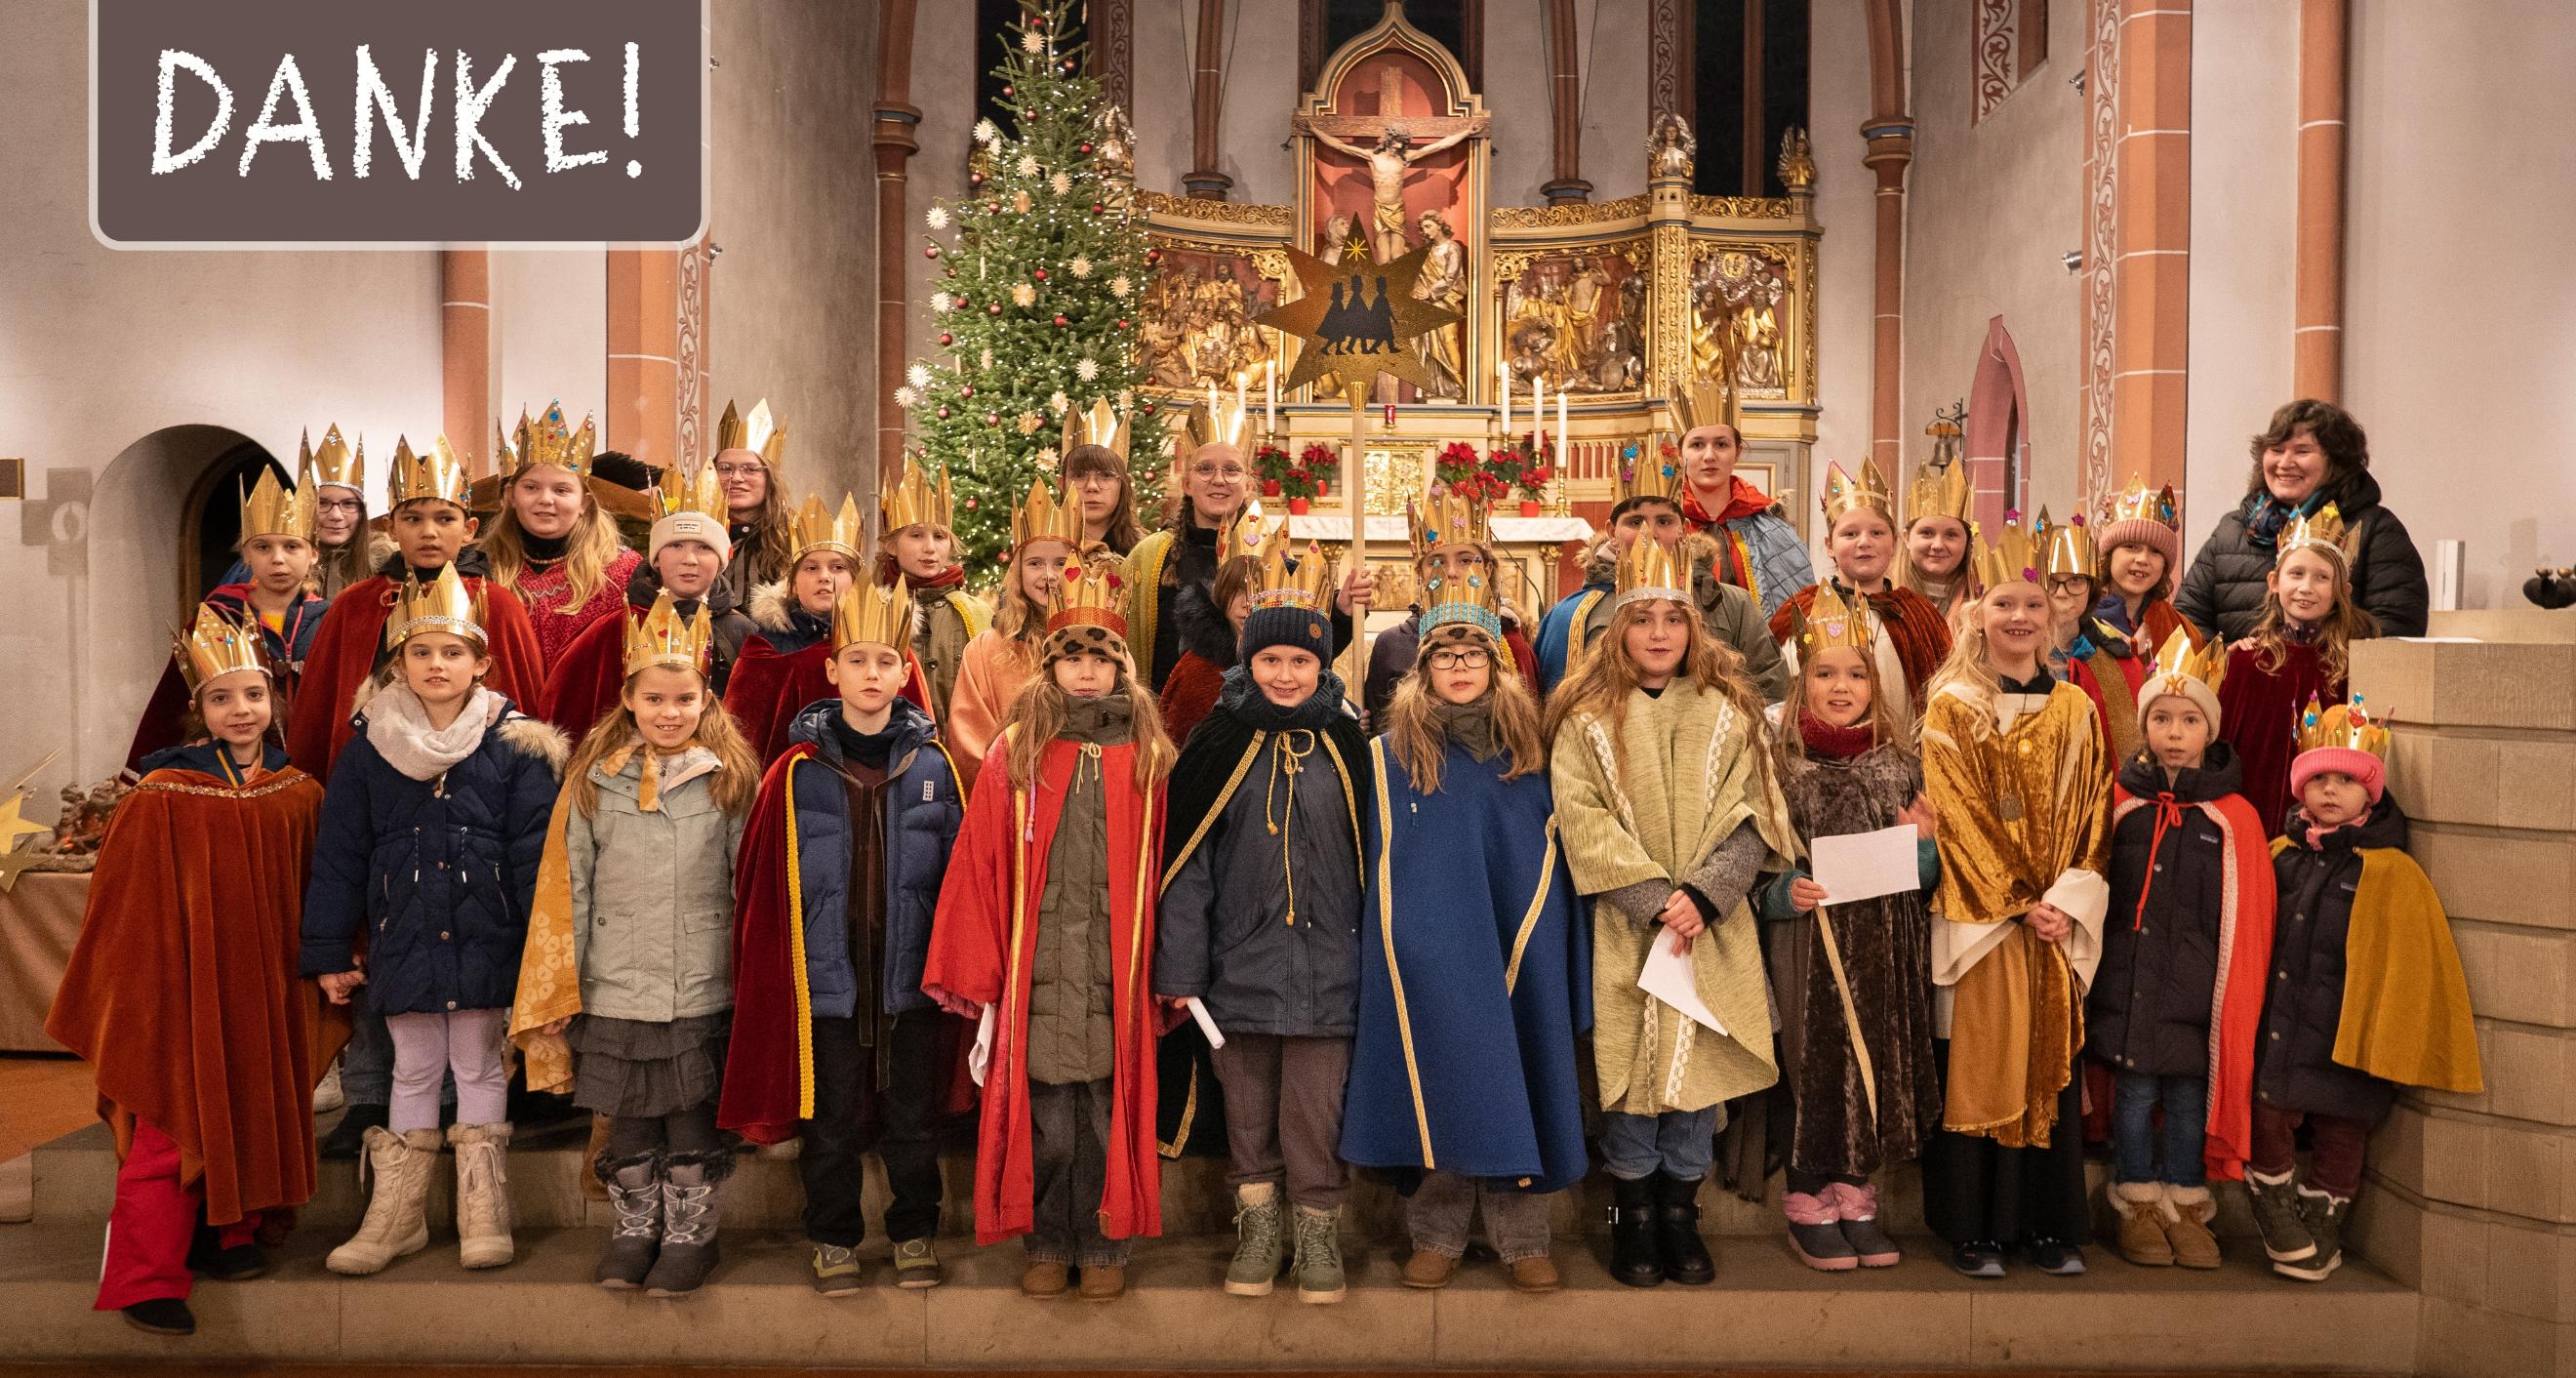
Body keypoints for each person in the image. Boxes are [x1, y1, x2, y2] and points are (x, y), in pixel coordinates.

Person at [48, 609, 342, 1338]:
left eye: (252, 695)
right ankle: (145, 1276)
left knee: (249, 1104)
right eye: (221, 698)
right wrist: (148, 996)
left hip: (266, 989)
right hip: (179, 993)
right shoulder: (160, 797)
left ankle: (227, 1234)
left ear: (273, 700)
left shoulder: (298, 792)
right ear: (197, 712)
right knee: (170, 1129)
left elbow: (322, 890)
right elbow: (126, 914)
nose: (240, 711)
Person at [300, 565, 568, 1277]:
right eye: (421, 653)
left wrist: (540, 962)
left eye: (453, 653)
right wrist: (330, 948)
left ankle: (484, 1206)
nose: (437, 665)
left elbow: (536, 856)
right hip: (405, 936)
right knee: (413, 1069)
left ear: (482, 664)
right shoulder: (368, 751)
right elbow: (340, 856)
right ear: (399, 665)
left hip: (488, 937)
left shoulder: (517, 746)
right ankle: (400, 1216)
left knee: (479, 1064)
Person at [924, 560, 1175, 1302]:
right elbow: (979, 864)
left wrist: (1167, 969)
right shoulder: (1014, 753)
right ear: (1051, 663)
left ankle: (1101, 1244)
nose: (1089, 671)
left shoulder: (1150, 758)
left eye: (1103, 658)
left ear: (1122, 667)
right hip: (1035, 974)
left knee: (1102, 1113)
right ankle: (1045, 1239)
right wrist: (981, 968)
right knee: (1044, 1118)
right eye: (1075, 656)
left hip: (1114, 976)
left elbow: (1167, 871)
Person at [1549, 533, 1793, 1289]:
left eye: (1673, 618)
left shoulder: (1729, 710)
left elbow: (1757, 814)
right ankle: (1634, 1215)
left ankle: (1681, 1210)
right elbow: (1581, 819)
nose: (1659, 633)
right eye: (1642, 617)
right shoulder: (1586, 718)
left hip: (1712, 927)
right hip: (1629, 925)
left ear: (1696, 628)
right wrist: (1658, 901)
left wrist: (1706, 896)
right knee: (1634, 1071)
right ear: (1616, 629)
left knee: (1697, 1076)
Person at [1339, 559, 1589, 1295]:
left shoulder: (1532, 758)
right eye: (1444, 654)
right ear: (1422, 668)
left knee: (1520, 1073)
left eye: (1472, 653)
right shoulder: (1388, 758)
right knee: (1438, 1076)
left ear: (1495, 664)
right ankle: (1439, 1234)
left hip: (1519, 945)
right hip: (1427, 956)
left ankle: (1521, 1237)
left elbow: (1548, 857)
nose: (1458, 665)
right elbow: (1378, 861)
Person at [507, 592, 758, 1297]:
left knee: (689, 1121)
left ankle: (691, 1236)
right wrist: (561, 986)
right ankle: (635, 1229)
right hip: (613, 983)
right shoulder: (594, 780)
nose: (669, 712)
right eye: (655, 698)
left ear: (706, 699)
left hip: (700, 981)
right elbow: (568, 888)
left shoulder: (732, 780)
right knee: (628, 1126)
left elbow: (749, 890)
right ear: (629, 699)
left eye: (684, 698)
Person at [719, 578, 966, 1294]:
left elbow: (959, 878)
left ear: (904, 670)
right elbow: (762, 888)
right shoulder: (793, 773)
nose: (871, 675)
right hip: (824, 978)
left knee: (913, 1121)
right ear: (830, 669)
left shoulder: (935, 768)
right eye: (856, 660)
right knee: (829, 1122)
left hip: (910, 978)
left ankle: (915, 1232)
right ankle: (833, 1237)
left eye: (885, 661)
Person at [1158, 540, 1371, 1305]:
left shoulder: (1350, 746)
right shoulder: (1215, 742)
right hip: (1235, 973)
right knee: (1247, 1113)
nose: (1286, 675)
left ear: (1323, 668)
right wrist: (1181, 973)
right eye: (1272, 661)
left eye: (1301, 663)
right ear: (1247, 663)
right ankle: (1258, 1227)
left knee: (1315, 1113)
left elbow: (1376, 863)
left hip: (1331, 974)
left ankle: (1316, 1231)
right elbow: (1186, 867)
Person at [1916, 518, 2113, 1279]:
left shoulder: (2076, 708)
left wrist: (2066, 898)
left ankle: (2047, 1224)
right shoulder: (1953, 706)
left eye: (2032, 604)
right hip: (1985, 921)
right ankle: (1974, 1228)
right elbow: (1956, 811)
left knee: (2048, 1063)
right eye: (2003, 604)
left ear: (2053, 615)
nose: (2020, 617)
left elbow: (2095, 808)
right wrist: (2018, 901)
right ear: (1977, 614)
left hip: (2054, 922)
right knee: (1981, 1064)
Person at [2250, 698, 2480, 1281]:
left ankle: (2323, 1216)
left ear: (2369, 793)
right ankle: (2273, 1203)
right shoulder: (2279, 856)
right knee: (2269, 1116)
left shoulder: (2393, 871)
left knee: (2343, 1128)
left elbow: (2409, 965)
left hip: (2346, 1029)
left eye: (2346, 780)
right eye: (2319, 779)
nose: (2330, 791)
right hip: (2281, 1023)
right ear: (2302, 790)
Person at [1753, 584, 1943, 1272]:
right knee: (1813, 1063)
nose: (1842, 687)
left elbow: (1923, 879)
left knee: (1869, 1065)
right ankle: (1807, 1193)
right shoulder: (1777, 762)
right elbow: (1750, 856)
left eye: (1856, 674)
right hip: (1805, 947)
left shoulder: (1898, 764)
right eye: (1825, 674)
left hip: (1882, 949)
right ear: (1802, 682)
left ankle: (1856, 1190)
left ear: (1875, 683)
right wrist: (1778, 894)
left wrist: (1920, 844)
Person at [2088, 636, 2277, 1271]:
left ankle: (2186, 1205)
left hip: (2199, 997)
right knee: (2136, 1098)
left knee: (2191, 1102)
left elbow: (2244, 919)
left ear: (2209, 730)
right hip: (2130, 987)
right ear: (2143, 727)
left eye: (2189, 720)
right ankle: (2137, 1204)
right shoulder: (2123, 805)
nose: (2174, 732)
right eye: (2162, 719)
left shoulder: (2233, 816)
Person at [287, 436, 545, 783]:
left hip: (477, 776)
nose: (428, 532)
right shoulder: (355, 604)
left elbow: (521, 700)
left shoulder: (497, 603)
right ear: (390, 527)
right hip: (376, 770)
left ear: (469, 529)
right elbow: (319, 711)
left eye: (444, 519)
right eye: (412, 519)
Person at [1126, 403, 1369, 692]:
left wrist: (1341, 615)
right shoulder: (1151, 555)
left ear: (1249, 485)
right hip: (1170, 715)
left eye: (1231, 470)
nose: (1219, 479)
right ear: (1187, 483)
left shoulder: (1272, 556)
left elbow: (1307, 648)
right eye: (1205, 469)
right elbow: (1127, 650)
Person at [1532, 449, 1788, 701]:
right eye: (1635, 522)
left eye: (1664, 522)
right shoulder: (1572, 614)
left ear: (1684, 530)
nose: (1650, 533)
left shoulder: (1733, 604)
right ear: (1612, 532)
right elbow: (1554, 706)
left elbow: (1771, 692)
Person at [125, 466, 332, 771]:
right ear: (247, 554)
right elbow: (169, 706)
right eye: (263, 547)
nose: (277, 558)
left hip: (317, 770)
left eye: (291, 546)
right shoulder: (217, 617)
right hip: (234, 769)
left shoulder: (331, 620)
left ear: (313, 553)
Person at [2174, 399, 2428, 643]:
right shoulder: (2231, 530)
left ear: (2337, 462)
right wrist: (2228, 660)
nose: (2285, 463)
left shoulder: (2377, 531)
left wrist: (2311, 662)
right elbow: (2187, 619)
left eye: (2302, 451)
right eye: (2276, 450)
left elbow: (2396, 629)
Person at [541, 462, 756, 740]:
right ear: (655, 557)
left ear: (722, 558)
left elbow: (754, 719)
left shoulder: (742, 632)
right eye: (675, 545)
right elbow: (572, 711)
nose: (689, 559)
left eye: (703, 547)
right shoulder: (611, 629)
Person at [2216, 505, 2379, 832]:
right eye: (2296, 574)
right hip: (2251, 819)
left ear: (2341, 592)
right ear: (2274, 582)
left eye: (2322, 577)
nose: (2307, 587)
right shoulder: (2249, 663)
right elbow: (2223, 748)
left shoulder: (2353, 666)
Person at [1766, 459, 1952, 719]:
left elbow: (1941, 697)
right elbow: (1775, 687)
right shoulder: (1800, 610)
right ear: (1830, 545)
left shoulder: (1918, 614)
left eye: (1877, 533)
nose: (1864, 542)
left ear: (1895, 544)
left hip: (1898, 753)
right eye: (1850, 534)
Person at [478, 402, 644, 669]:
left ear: (584, 503)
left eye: (562, 490)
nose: (545, 500)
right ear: (510, 496)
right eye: (531, 487)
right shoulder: (483, 567)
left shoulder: (622, 570)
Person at [1361, 487, 1542, 725]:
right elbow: (1380, 727)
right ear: (1420, 573)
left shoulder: (1510, 643)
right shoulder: (1392, 644)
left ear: (1487, 570)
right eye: (1436, 562)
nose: (1452, 572)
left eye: (1465, 560)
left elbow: (1529, 727)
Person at [725, 494, 880, 763]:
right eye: (811, 568)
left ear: (856, 582)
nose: (824, 576)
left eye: (838, 567)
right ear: (793, 584)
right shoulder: (767, 648)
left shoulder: (882, 644)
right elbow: (743, 740)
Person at [947, 480, 1082, 790]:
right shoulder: (984, 650)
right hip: (1011, 799)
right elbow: (969, 742)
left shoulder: (1099, 646)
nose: (1049, 575)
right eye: (1035, 563)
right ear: (1018, 571)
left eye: (1061, 564)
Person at [1666, 383, 1815, 619]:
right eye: (1697, 444)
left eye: (1721, 444)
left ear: (1737, 452)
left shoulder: (1773, 530)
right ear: (1679, 454)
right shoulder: (1663, 525)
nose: (1709, 455)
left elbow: (1798, 615)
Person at [880, 454, 991, 726]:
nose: (929, 548)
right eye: (916, 535)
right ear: (892, 545)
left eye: (939, 537)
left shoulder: (975, 612)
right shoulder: (878, 608)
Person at [2034, 511, 2148, 769]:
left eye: (2075, 580)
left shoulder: (2118, 658)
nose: (2062, 593)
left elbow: (2127, 751)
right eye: (2052, 581)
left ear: (2092, 587)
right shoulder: (2018, 655)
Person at [1158, 507, 1267, 749]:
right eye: (1239, 590)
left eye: (1258, 591)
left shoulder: (1287, 662)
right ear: (1221, 595)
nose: (1248, 603)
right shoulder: (1197, 669)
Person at [2094, 476, 2203, 657]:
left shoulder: (2181, 631)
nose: (2143, 559)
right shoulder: (2082, 621)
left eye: (2155, 551)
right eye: (2131, 546)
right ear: (2109, 555)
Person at [708, 398, 796, 611]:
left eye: (750, 469)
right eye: (725, 468)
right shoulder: (695, 534)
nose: (736, 478)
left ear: (770, 479)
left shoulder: (794, 538)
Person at [1899, 455, 1975, 631]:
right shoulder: (1886, 599)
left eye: (1951, 535)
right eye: (1927, 533)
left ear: (1968, 542)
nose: (1938, 545)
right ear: (1907, 538)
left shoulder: (1980, 601)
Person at [1062, 402, 1147, 556]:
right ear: (1062, 484)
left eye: (1106, 475)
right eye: (1079, 475)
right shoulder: (1040, 548)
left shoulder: (1147, 552)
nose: (1092, 486)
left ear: (1124, 484)